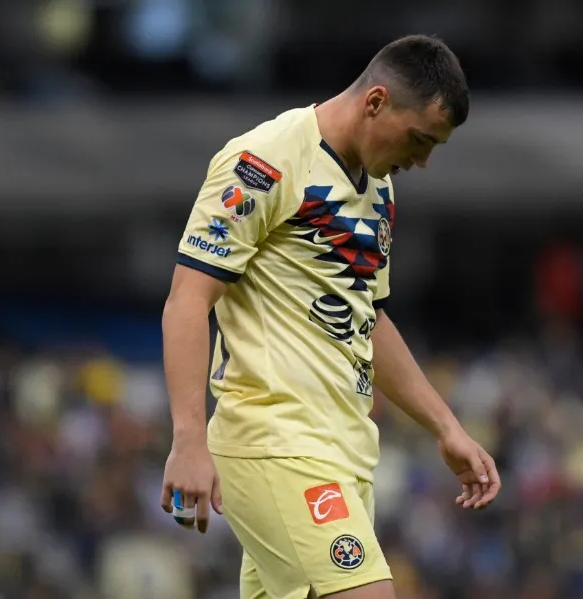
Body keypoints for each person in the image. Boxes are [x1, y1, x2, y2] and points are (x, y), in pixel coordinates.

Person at [160, 34, 501, 599]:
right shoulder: (262, 163)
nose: (422, 161)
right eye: (419, 139)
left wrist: (447, 427)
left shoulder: (380, 189)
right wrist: (188, 439)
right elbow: (188, 300)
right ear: (375, 102)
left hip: (346, 452)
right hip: (277, 443)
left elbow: (370, 319)